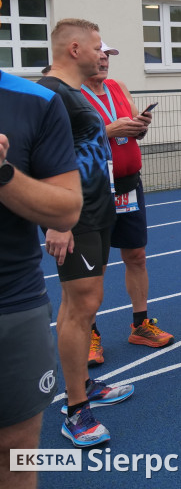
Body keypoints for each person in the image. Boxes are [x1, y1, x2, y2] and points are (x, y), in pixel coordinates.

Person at [38, 19, 134, 447]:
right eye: (97, 46)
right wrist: (56, 221)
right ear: (74, 49)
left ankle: (80, 385)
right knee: (81, 306)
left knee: (82, 303)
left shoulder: (75, 93)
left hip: (97, 209)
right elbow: (33, 161)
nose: (103, 53)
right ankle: (76, 409)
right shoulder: (51, 94)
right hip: (74, 219)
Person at [0, 70, 82, 482]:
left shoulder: (34, 100)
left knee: (15, 452)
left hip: (12, 304)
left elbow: (66, 210)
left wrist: (3, 173)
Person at [81, 42, 174, 359]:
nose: (105, 60)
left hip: (128, 183)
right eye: (100, 55)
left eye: (108, 56)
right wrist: (109, 130)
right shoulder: (70, 94)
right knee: (96, 264)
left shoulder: (117, 86)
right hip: (93, 188)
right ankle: (89, 334)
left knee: (136, 255)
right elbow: (65, 142)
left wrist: (139, 126)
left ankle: (140, 324)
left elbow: (131, 133)